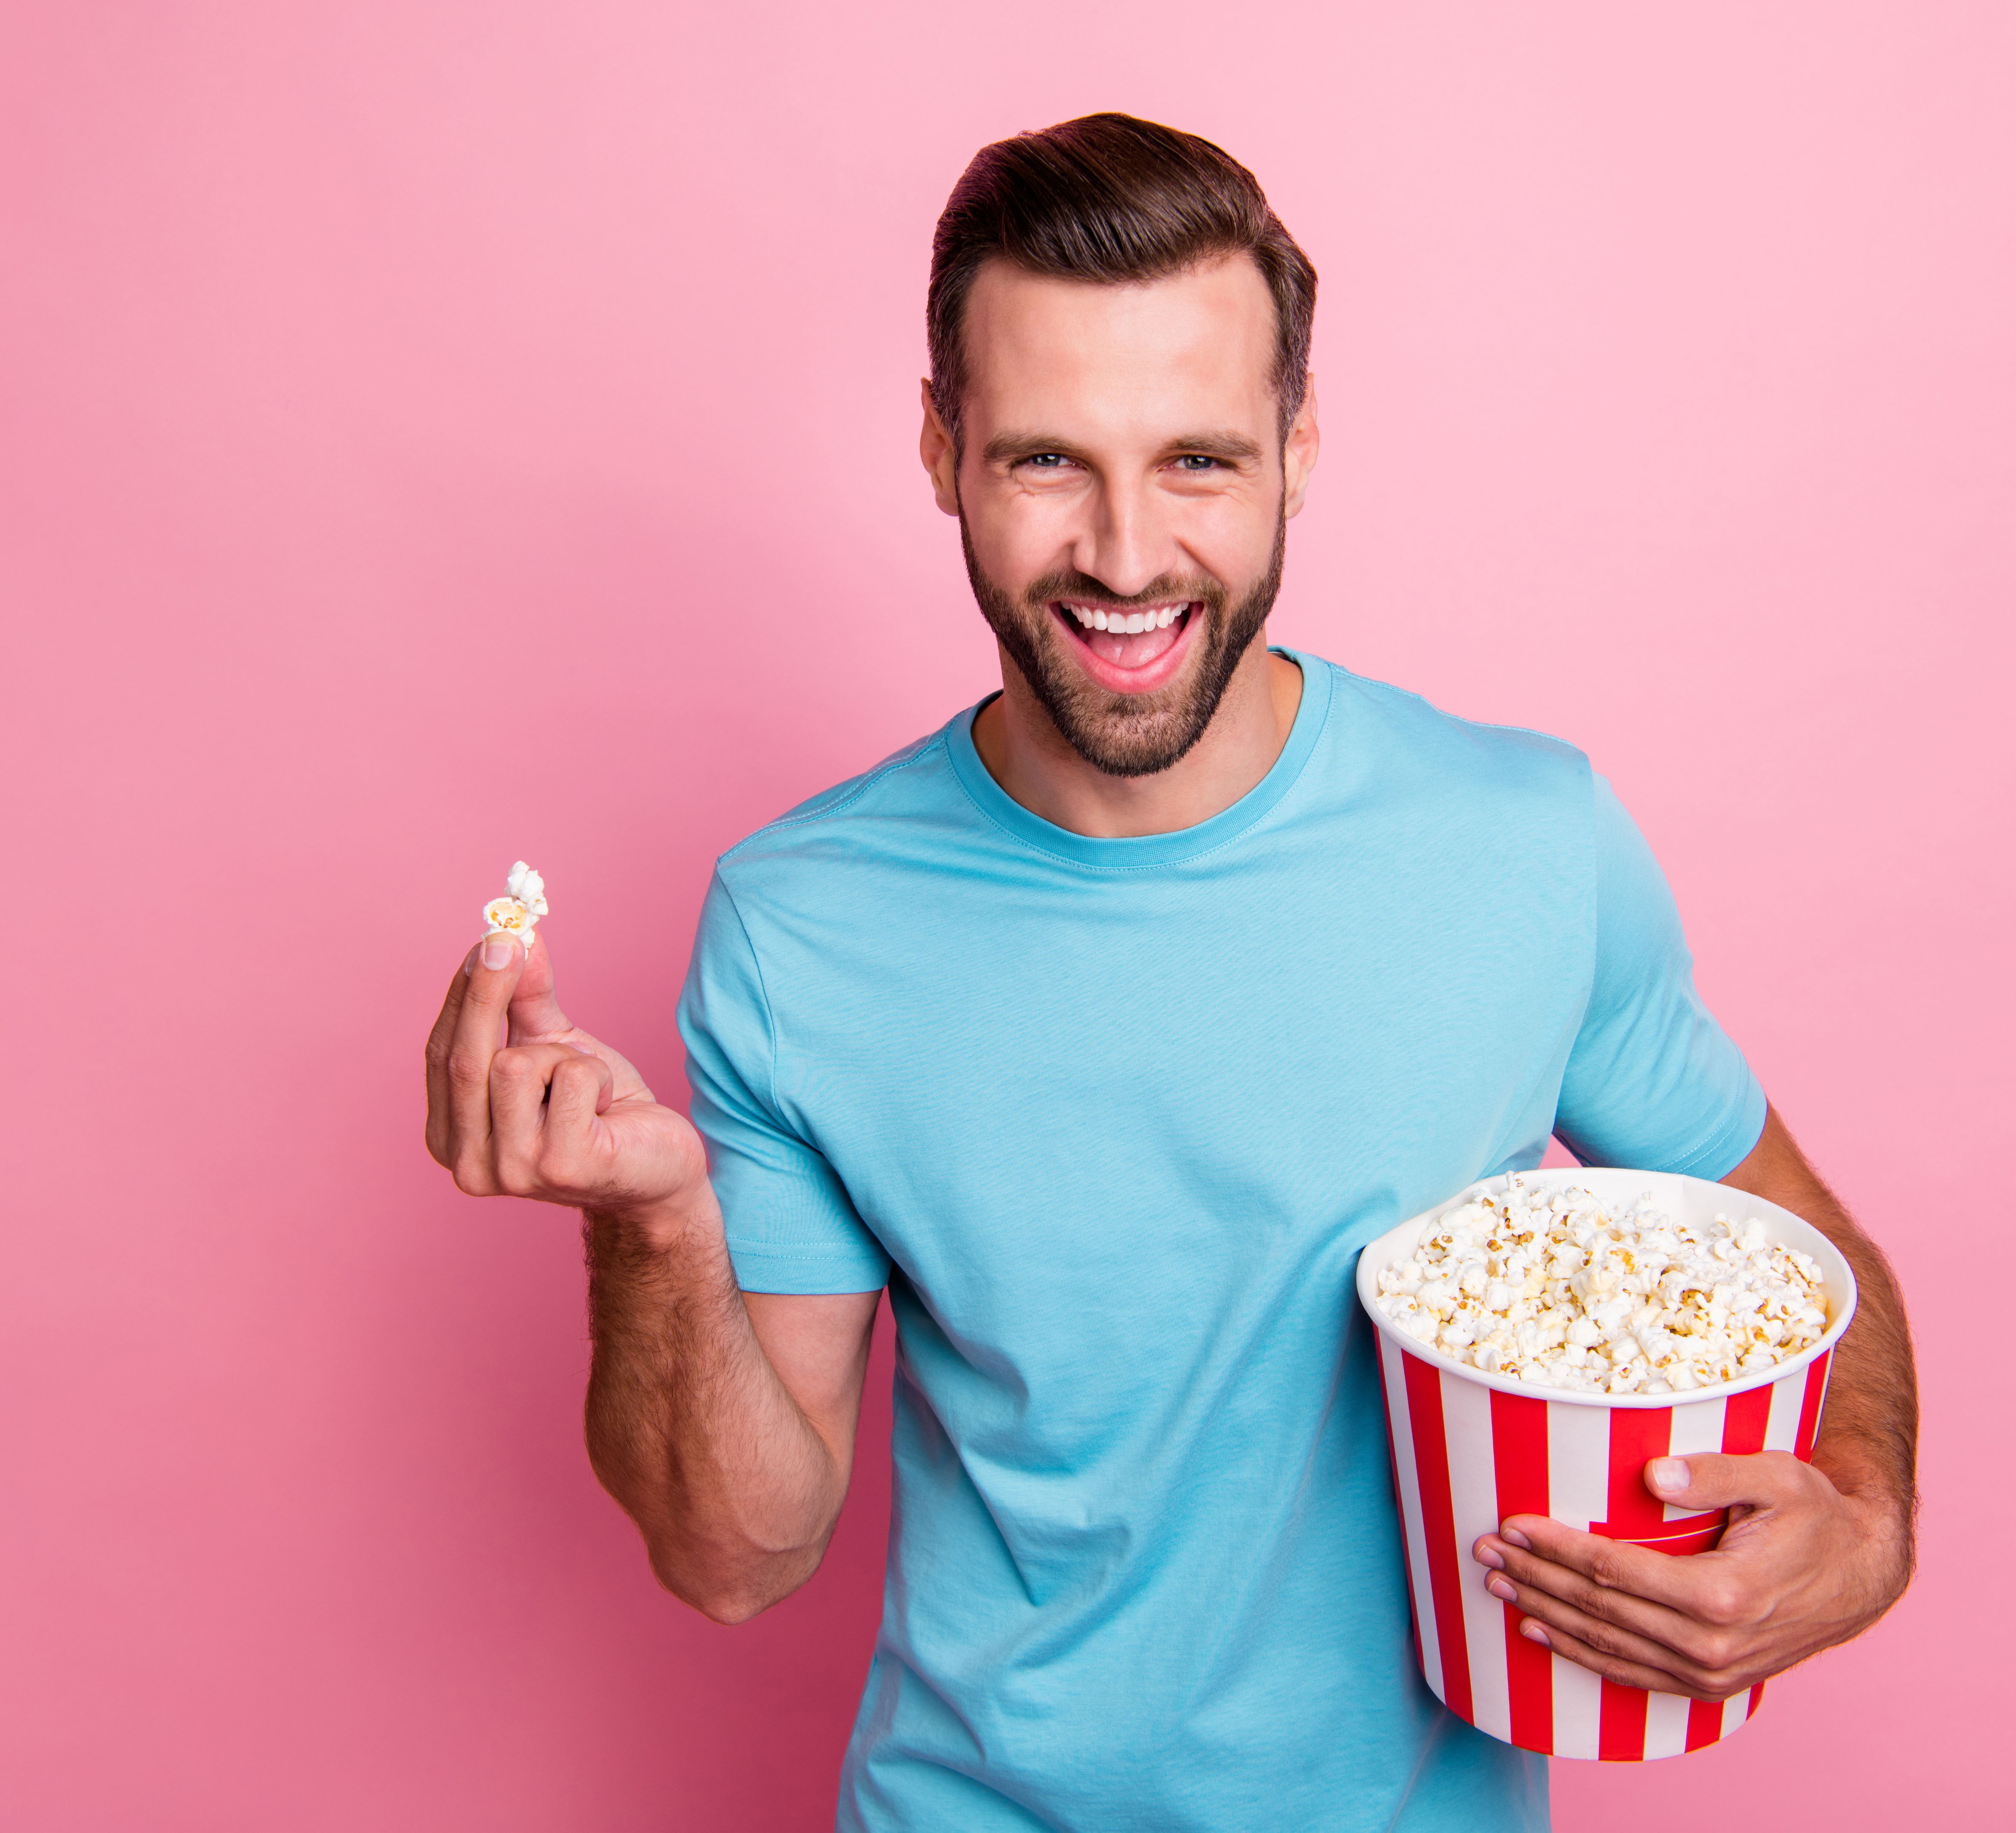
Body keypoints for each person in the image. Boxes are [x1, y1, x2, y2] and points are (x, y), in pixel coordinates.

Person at [424, 111, 1916, 1832]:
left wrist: (1864, 1522)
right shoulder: (800, 923)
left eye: (1197, 460)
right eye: (1047, 462)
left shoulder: (1531, 845)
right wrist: (656, 1224)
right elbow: (736, 1557)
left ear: (1299, 447)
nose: (1126, 558)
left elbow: (1794, 1242)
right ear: (942, 448)